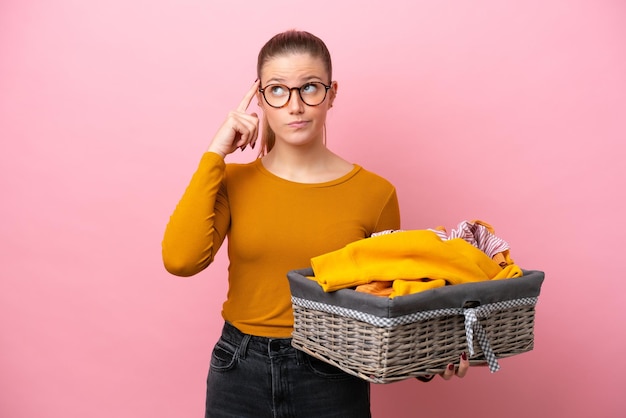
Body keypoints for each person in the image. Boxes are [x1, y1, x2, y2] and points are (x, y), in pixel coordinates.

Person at [162, 29, 469, 418]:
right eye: (277, 89)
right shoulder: (231, 182)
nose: (295, 105)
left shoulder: (374, 193)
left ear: (332, 93)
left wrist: (430, 354)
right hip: (239, 369)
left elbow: (386, 296)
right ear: (259, 98)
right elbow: (181, 260)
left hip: (333, 370)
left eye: (309, 88)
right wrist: (216, 151)